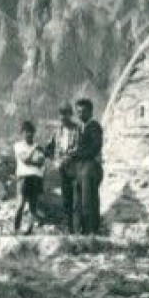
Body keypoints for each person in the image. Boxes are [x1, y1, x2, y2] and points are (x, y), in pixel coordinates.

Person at [69, 97, 104, 235]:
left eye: (83, 111)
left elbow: (95, 147)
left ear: (90, 111)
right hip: (79, 167)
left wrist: (77, 153)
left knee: (88, 200)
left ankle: (91, 231)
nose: (80, 114)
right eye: (78, 112)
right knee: (78, 200)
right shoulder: (80, 128)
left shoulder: (94, 126)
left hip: (90, 167)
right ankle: (79, 231)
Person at [12, 119, 50, 234]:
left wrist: (33, 159)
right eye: (26, 132)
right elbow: (25, 160)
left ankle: (29, 230)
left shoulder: (39, 147)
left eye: (31, 132)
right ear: (22, 133)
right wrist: (34, 151)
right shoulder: (18, 146)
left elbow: (41, 162)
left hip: (36, 177)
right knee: (20, 204)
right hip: (23, 177)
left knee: (33, 207)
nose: (29, 134)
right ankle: (16, 230)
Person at [52, 103, 81, 231]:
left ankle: (80, 227)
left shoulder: (77, 129)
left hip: (75, 167)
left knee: (78, 198)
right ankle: (69, 227)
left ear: (70, 115)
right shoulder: (58, 131)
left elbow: (78, 147)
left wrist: (68, 157)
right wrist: (56, 161)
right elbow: (55, 148)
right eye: (61, 114)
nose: (63, 117)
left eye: (65, 114)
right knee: (66, 198)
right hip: (63, 168)